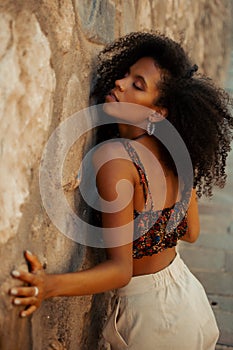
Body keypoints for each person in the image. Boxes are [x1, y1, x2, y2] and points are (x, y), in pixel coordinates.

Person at [10, 32, 233, 349]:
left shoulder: (117, 160)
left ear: (157, 113)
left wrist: (48, 287)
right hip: (189, 298)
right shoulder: (175, 153)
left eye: (137, 85)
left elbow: (120, 271)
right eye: (126, 74)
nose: (119, 82)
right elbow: (191, 231)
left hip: (154, 321)